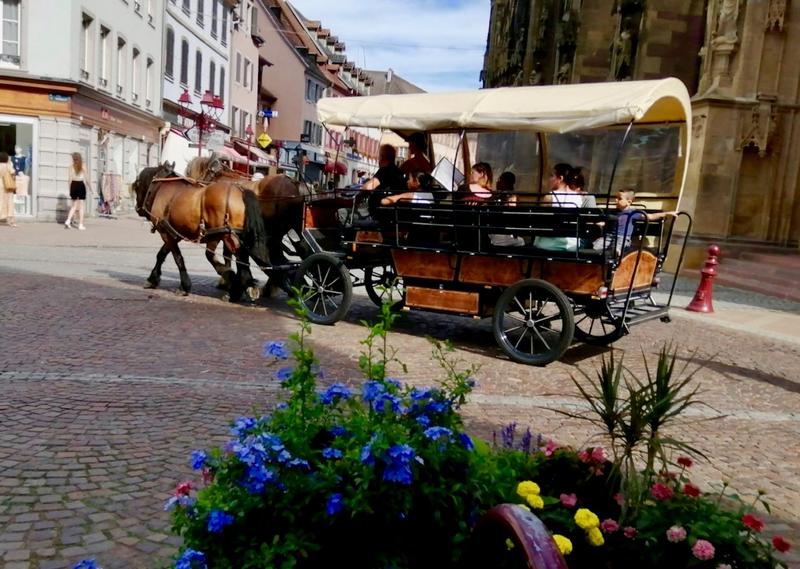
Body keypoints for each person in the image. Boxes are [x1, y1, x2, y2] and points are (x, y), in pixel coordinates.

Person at [592, 189, 677, 253]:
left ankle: (615, 265)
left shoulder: (633, 213)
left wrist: (666, 213)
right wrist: (602, 223)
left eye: (619, 198)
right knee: (595, 247)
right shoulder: (613, 211)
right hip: (609, 236)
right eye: (616, 198)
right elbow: (608, 223)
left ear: (629, 202)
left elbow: (649, 216)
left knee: (616, 250)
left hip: (622, 237)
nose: (616, 200)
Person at [535, 163, 582, 251]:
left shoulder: (549, 197)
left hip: (549, 245)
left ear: (560, 178)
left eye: (551, 176)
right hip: (572, 245)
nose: (549, 179)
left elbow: (539, 222)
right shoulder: (578, 198)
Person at [65, 152, 89, 230]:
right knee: (81, 206)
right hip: (81, 185)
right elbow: (87, 179)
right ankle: (80, 224)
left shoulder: (70, 167)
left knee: (74, 206)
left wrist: (70, 189)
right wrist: (91, 188)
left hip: (73, 185)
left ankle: (68, 221)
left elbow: (69, 179)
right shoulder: (83, 166)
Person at [0, 152, 16, 227]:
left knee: (1, 201)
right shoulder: (8, 166)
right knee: (9, 202)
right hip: (7, 185)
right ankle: (10, 221)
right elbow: (13, 173)